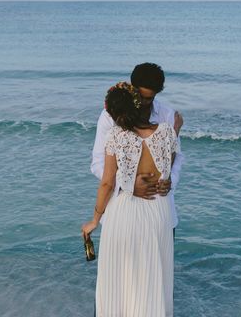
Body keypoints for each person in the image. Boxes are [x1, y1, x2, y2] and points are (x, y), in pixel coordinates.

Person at [82, 82, 179, 316]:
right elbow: (170, 161)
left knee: (121, 276)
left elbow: (107, 183)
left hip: (125, 212)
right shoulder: (167, 131)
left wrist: (95, 219)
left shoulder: (115, 136)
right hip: (159, 209)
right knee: (154, 274)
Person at [90, 63, 185, 230]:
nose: (143, 103)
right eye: (140, 96)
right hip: (124, 208)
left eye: (149, 98)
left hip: (160, 210)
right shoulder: (110, 116)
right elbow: (98, 163)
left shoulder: (167, 115)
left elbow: (176, 156)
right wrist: (128, 184)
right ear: (132, 89)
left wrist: (170, 180)